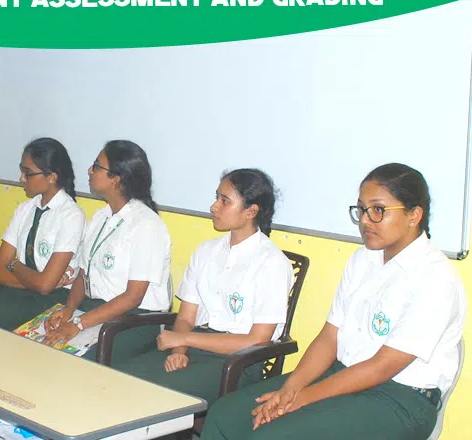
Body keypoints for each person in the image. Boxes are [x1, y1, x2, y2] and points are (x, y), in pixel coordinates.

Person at [202, 163, 466, 440]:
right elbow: (330, 336)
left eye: (378, 210)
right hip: (340, 375)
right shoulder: (363, 259)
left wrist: (302, 398)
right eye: (361, 209)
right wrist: (291, 388)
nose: (365, 220)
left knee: (273, 434)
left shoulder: (435, 278)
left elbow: (383, 366)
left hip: (400, 398)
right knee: (226, 415)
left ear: (414, 215)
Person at [115, 169, 293, 405]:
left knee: (152, 395)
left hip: (238, 363)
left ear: (251, 211)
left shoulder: (272, 262)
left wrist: (184, 340)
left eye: (224, 201)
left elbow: (256, 340)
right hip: (193, 346)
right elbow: (186, 316)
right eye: (216, 197)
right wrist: (179, 350)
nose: (214, 207)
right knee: (118, 379)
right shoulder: (206, 252)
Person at [42, 140, 172, 364]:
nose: (89, 171)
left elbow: (133, 297)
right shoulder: (101, 217)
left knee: (70, 361)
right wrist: (69, 309)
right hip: (96, 311)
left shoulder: (146, 224)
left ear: (116, 178)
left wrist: (78, 324)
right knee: (38, 344)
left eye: (96, 166)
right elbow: (83, 275)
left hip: (134, 321)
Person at [0, 138, 86, 331]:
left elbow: (45, 287)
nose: (22, 178)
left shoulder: (71, 216)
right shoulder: (25, 209)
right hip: (16, 294)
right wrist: (37, 280)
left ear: (51, 177)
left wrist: (14, 265)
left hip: (48, 302)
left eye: (28, 173)